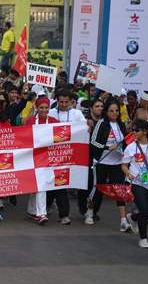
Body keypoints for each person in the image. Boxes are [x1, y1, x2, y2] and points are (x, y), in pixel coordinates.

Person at [46, 90, 86, 224]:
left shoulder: (77, 114)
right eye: (61, 102)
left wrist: (88, 125)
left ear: (71, 101)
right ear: (57, 100)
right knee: (52, 182)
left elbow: (84, 129)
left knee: (60, 183)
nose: (63, 105)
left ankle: (63, 214)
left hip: (69, 155)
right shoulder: (50, 112)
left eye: (66, 102)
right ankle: (49, 209)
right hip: (51, 154)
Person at [121, 119, 148, 248]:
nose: (133, 132)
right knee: (144, 209)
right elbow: (123, 165)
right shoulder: (131, 147)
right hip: (136, 182)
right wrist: (128, 173)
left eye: (136, 130)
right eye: (132, 130)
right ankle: (143, 239)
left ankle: (132, 218)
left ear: (145, 131)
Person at [90, 99, 129, 230]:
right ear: (106, 112)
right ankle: (91, 212)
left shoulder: (121, 125)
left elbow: (125, 141)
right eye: (111, 110)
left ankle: (123, 220)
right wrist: (107, 147)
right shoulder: (101, 124)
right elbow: (93, 142)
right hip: (102, 161)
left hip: (117, 162)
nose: (114, 113)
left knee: (120, 189)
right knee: (98, 189)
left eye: (117, 110)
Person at [25, 96, 59, 224]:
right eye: (41, 108)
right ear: (37, 108)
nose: (44, 110)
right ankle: (38, 212)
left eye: (46, 107)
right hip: (33, 157)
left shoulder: (54, 121)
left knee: (40, 184)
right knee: (39, 184)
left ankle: (36, 211)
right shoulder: (30, 121)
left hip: (48, 158)